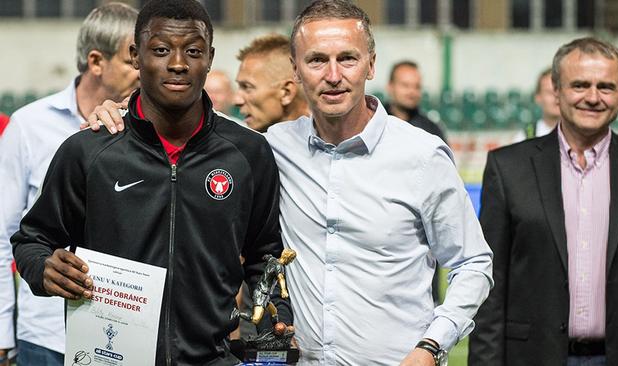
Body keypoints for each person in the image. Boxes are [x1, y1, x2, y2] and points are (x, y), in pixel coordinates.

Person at [86, 1, 493, 365]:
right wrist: (123, 112)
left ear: (370, 64)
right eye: (316, 60)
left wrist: (431, 347)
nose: (333, 75)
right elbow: (186, 125)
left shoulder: (422, 155)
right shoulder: (271, 147)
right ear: (295, 70)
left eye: (347, 59)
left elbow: (473, 263)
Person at [11, 1, 288, 365]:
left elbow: (264, 253)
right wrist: (44, 268)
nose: (177, 63)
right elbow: (33, 239)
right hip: (107, 356)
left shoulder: (248, 153)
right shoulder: (89, 151)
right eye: (160, 50)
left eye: (193, 51)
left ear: (209, 58)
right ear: (135, 55)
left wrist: (278, 319)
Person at [468, 37, 618, 366]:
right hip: (533, 357)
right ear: (556, 90)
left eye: (606, 87)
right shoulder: (508, 168)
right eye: (579, 85)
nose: (593, 97)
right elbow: (491, 284)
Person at [0, 4, 139, 365]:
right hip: (45, 337)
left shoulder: (146, 133)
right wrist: (1, 330)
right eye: (132, 60)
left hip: (128, 337)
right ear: (96, 61)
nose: (144, 71)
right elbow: (3, 233)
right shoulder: (29, 125)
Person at [233, 33, 310, 132]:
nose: (236, 100)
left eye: (247, 87)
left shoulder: (330, 143)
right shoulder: (242, 144)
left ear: (286, 92)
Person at [385, 60, 446, 141]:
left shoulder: (431, 130)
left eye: (417, 86)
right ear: (390, 87)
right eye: (405, 85)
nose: (412, 91)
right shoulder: (375, 122)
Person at [513, 67, 561, 142]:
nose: (556, 96)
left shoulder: (582, 134)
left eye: (559, 90)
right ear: (538, 97)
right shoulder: (524, 137)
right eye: (549, 92)